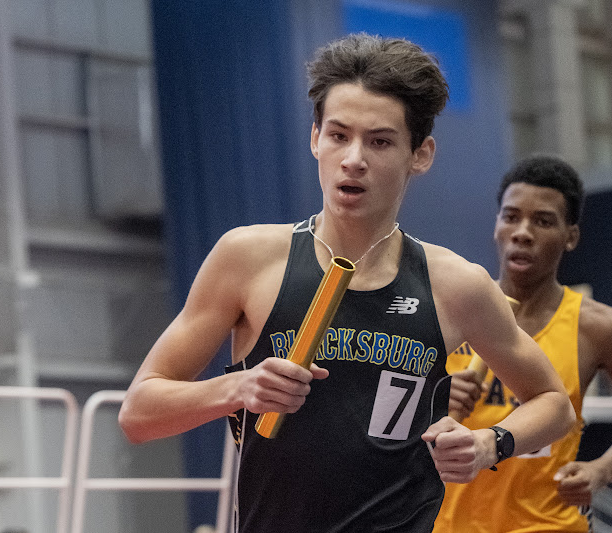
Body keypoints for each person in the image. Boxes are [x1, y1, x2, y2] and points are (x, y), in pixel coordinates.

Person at [118, 34, 574, 533]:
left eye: (379, 141)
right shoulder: (246, 258)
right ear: (315, 138)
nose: (353, 158)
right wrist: (239, 387)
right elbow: (139, 414)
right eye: (338, 135)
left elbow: (553, 403)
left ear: (420, 154)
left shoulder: (456, 284)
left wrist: (491, 443)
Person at [433, 155, 612, 532]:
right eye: (511, 216)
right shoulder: (449, 310)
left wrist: (601, 469)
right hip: (449, 524)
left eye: (542, 221)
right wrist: (433, 400)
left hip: (547, 523)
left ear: (570, 236)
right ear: (496, 226)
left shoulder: (599, 328)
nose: (522, 232)